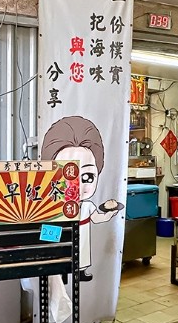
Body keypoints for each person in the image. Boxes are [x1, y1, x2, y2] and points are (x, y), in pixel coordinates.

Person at [40, 116, 123, 282]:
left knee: (82, 255)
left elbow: (97, 217)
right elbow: (47, 234)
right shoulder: (51, 206)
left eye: (87, 177)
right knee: (59, 253)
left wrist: (110, 214)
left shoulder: (87, 206)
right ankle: (59, 272)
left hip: (82, 233)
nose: (75, 185)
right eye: (66, 175)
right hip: (61, 238)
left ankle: (79, 272)